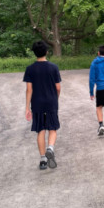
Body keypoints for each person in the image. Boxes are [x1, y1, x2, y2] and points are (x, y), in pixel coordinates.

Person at [24, 40, 62, 170]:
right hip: (51, 102)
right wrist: (56, 98)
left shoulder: (30, 69)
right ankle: (50, 148)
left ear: (34, 53)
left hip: (37, 103)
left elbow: (29, 90)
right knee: (52, 128)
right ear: (47, 52)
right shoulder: (53, 67)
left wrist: (27, 107)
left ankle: (43, 160)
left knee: (40, 130)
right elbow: (58, 87)